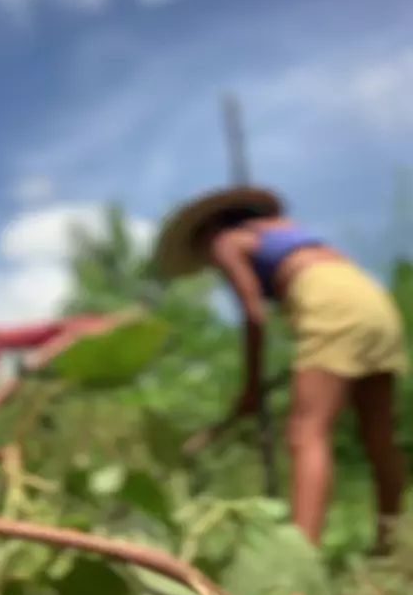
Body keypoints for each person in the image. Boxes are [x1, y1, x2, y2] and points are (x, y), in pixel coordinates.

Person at [153, 186, 408, 551]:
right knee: (379, 437)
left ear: (206, 230)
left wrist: (251, 387)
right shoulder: (285, 230)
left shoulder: (224, 241)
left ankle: (301, 560)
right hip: (374, 301)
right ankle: (390, 546)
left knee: (307, 432)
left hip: (329, 301)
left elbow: (254, 315)